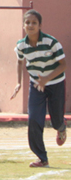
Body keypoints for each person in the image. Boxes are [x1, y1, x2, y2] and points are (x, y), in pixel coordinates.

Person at [11, 9, 67, 167]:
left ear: (40, 25)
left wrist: (47, 79)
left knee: (56, 119)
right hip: (36, 85)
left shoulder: (51, 42)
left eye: (34, 23)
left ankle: (61, 126)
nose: (30, 25)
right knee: (34, 119)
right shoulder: (21, 45)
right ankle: (42, 158)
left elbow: (63, 65)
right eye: (27, 22)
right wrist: (18, 82)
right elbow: (20, 61)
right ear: (23, 25)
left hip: (56, 83)